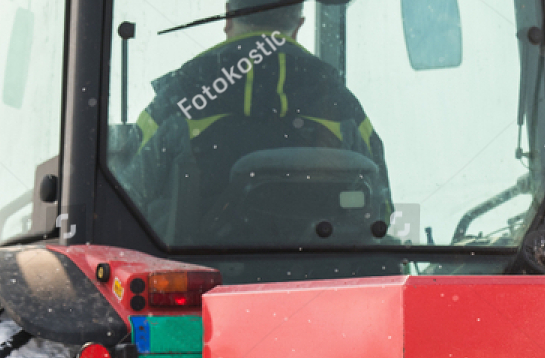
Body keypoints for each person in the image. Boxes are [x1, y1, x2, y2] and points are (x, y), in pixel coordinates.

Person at [127, 1, 390, 241]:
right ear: (298, 25)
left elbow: (125, 200)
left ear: (229, 17)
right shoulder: (342, 106)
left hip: (200, 279)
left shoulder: (177, 98)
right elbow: (383, 212)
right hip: (322, 279)